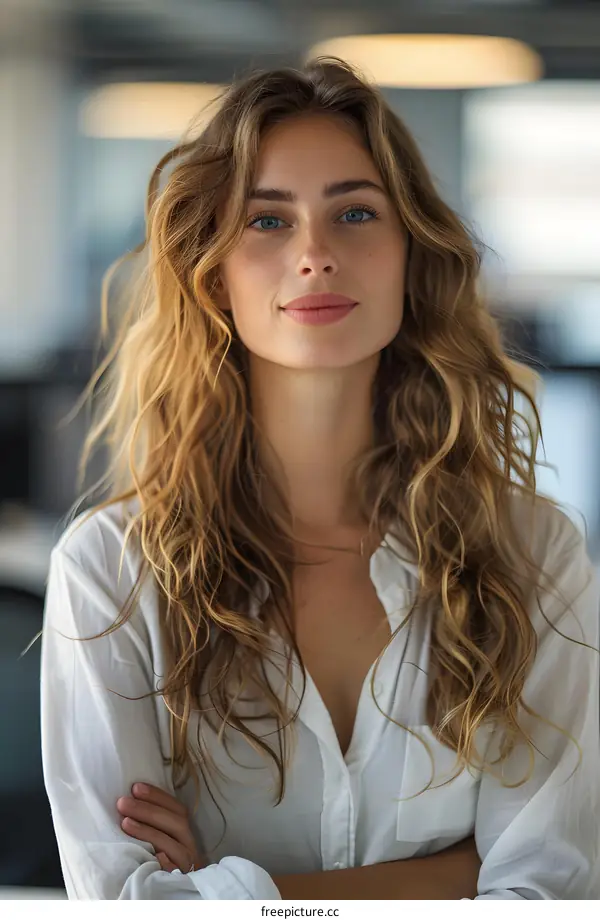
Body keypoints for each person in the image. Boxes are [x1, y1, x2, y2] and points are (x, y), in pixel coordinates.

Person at [40, 57, 600, 900]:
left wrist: (239, 892)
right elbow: (126, 904)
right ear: (213, 272)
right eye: (267, 222)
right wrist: (452, 874)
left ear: (412, 254)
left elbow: (549, 891)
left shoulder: (532, 553)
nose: (315, 254)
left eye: (355, 212)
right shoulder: (112, 572)